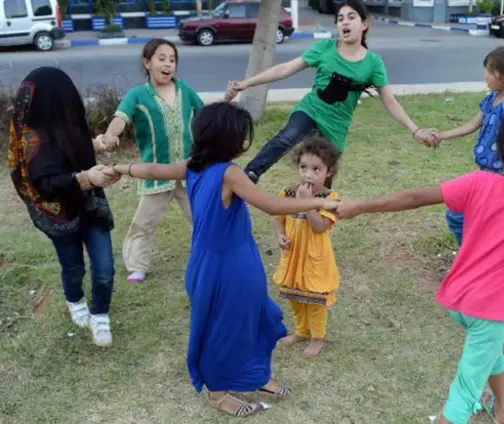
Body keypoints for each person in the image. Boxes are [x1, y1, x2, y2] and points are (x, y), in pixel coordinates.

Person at [335, 103, 504, 424]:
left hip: (460, 299)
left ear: (502, 150)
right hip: (490, 311)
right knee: (463, 394)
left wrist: (359, 206)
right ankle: (497, 409)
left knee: (488, 354)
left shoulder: (479, 182)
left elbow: (414, 198)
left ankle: (503, 410)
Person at [111, 102, 339, 417]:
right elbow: (271, 206)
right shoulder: (229, 173)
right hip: (224, 267)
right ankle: (217, 394)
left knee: (252, 316)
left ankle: (255, 376)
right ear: (229, 139)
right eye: (242, 135)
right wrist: (319, 202)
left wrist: (119, 169)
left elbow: (151, 170)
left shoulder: (194, 165)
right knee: (224, 328)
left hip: (230, 259)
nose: (245, 141)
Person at [225, 0, 436, 186]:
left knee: (324, 176)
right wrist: (246, 83)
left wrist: (415, 130)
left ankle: (317, 212)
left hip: (336, 125)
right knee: (287, 137)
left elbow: (389, 100)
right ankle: (250, 175)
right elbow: (285, 69)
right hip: (310, 110)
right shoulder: (324, 48)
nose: (344, 22)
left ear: (364, 24)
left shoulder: (373, 63)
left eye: (351, 17)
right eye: (340, 19)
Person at [8, 67, 120, 347]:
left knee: (105, 267)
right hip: (59, 215)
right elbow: (46, 184)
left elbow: (74, 148)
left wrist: (96, 145)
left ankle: (100, 314)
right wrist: (86, 178)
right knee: (73, 268)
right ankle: (75, 300)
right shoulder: (32, 141)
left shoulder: (69, 124)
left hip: (90, 205)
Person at [96, 38, 204, 284]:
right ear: (147, 63)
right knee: (144, 223)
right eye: (161, 59)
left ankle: (211, 257)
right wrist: (111, 134)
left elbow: (205, 114)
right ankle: (136, 266)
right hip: (155, 174)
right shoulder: (137, 95)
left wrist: (227, 103)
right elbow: (121, 117)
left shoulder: (184, 90)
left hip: (188, 170)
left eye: (172, 60)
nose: (168, 64)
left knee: (202, 218)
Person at [428, 46, 504, 245]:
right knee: (466, 217)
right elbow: (473, 124)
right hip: (486, 172)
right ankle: (477, 251)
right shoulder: (492, 98)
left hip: (502, 175)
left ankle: (473, 254)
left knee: (459, 215)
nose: (485, 77)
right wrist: (442, 135)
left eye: (489, 72)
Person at [273, 136, 341, 358]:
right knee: (295, 297)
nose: (307, 175)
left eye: (316, 169)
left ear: (328, 172)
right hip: (293, 256)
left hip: (315, 258)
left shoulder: (330, 198)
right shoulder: (287, 193)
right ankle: (301, 331)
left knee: (315, 301)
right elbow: (278, 216)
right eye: (303, 167)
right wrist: (280, 235)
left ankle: (317, 337)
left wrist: (307, 201)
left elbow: (320, 227)